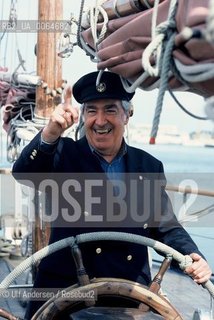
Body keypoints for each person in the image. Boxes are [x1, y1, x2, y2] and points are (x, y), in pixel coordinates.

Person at [12, 71, 212, 319]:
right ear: (83, 116)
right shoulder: (62, 155)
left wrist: (192, 255)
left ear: (127, 114)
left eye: (110, 110)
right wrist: (50, 133)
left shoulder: (148, 165)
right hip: (65, 290)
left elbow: (165, 225)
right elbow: (24, 173)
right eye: (92, 111)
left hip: (128, 294)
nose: (100, 120)